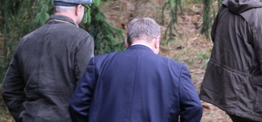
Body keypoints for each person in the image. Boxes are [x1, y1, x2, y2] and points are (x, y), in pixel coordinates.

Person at [69, 17, 202, 122]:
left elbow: (77, 105)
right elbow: (193, 107)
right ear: (157, 41)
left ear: (126, 41)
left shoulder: (99, 63)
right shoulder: (176, 70)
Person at [2, 0, 95, 122]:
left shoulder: (27, 40)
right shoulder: (81, 38)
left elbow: (9, 89)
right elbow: (87, 86)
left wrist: (23, 116)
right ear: (78, 8)